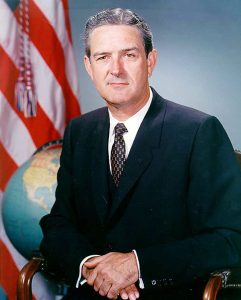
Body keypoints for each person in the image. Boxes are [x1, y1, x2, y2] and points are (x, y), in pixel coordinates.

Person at [40, 8, 241, 300]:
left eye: (129, 55)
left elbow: (230, 239)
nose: (116, 69)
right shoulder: (80, 132)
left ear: (150, 61)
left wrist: (137, 265)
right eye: (103, 57)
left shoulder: (198, 131)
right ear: (88, 66)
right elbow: (57, 224)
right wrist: (90, 268)